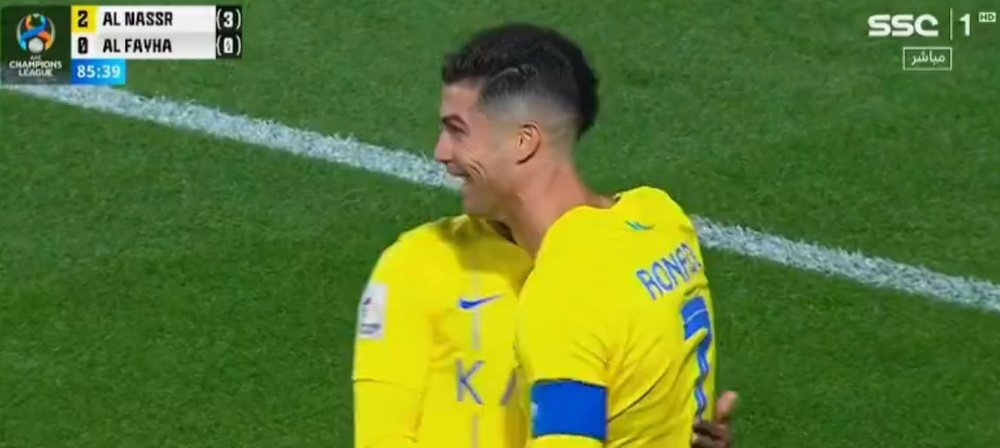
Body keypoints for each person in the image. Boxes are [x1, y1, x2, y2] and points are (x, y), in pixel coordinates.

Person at [352, 23, 732, 448]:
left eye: (458, 130)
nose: (441, 151)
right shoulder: (662, 223)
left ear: (522, 141)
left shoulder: (565, 290)